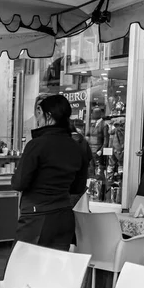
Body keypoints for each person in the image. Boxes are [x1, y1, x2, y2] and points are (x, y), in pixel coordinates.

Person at [12, 94, 88, 251]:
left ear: (48, 115)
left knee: (20, 268)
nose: (38, 118)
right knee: (54, 270)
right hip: (64, 216)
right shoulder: (77, 146)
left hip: (36, 215)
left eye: (40, 113)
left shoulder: (37, 145)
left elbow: (19, 183)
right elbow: (78, 187)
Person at [85, 107, 108, 176]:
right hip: (91, 149)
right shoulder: (93, 124)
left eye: (93, 113)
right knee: (91, 169)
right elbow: (88, 136)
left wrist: (101, 150)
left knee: (99, 169)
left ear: (98, 113)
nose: (92, 114)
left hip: (98, 150)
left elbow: (106, 139)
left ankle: (98, 184)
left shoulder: (104, 125)